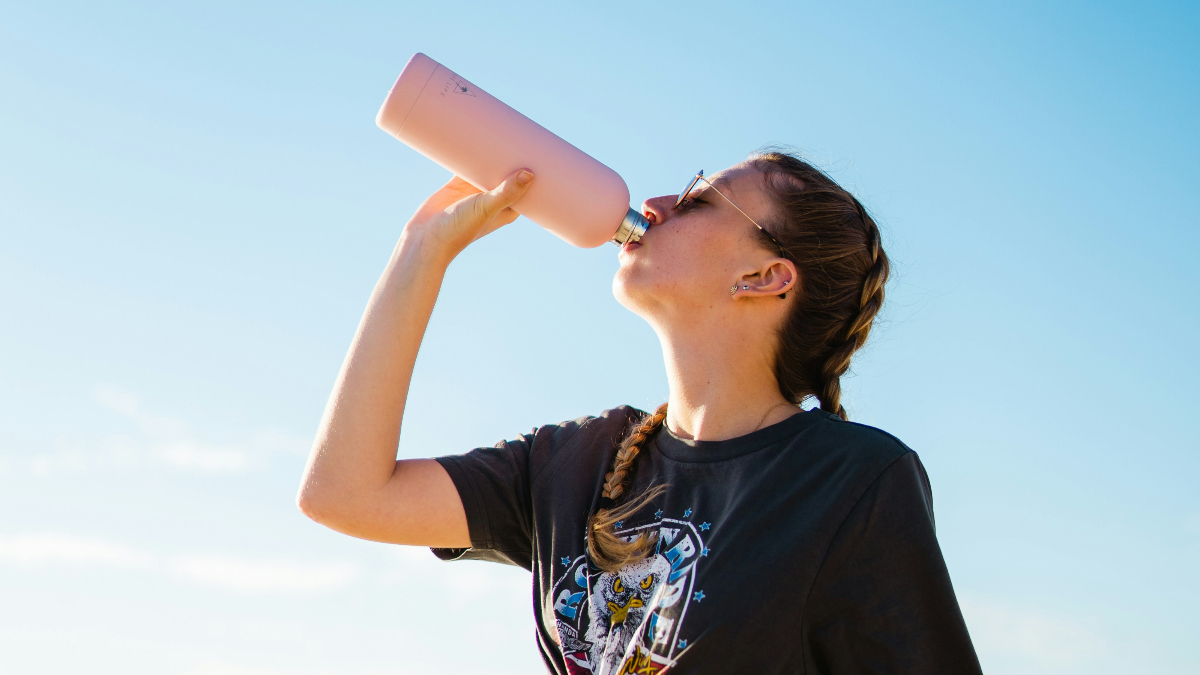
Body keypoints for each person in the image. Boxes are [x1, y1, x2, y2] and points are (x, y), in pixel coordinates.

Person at [297, 150, 983, 674]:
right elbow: (345, 492)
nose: (655, 203)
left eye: (697, 200)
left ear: (763, 276)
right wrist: (423, 249)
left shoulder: (852, 483)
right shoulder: (574, 463)